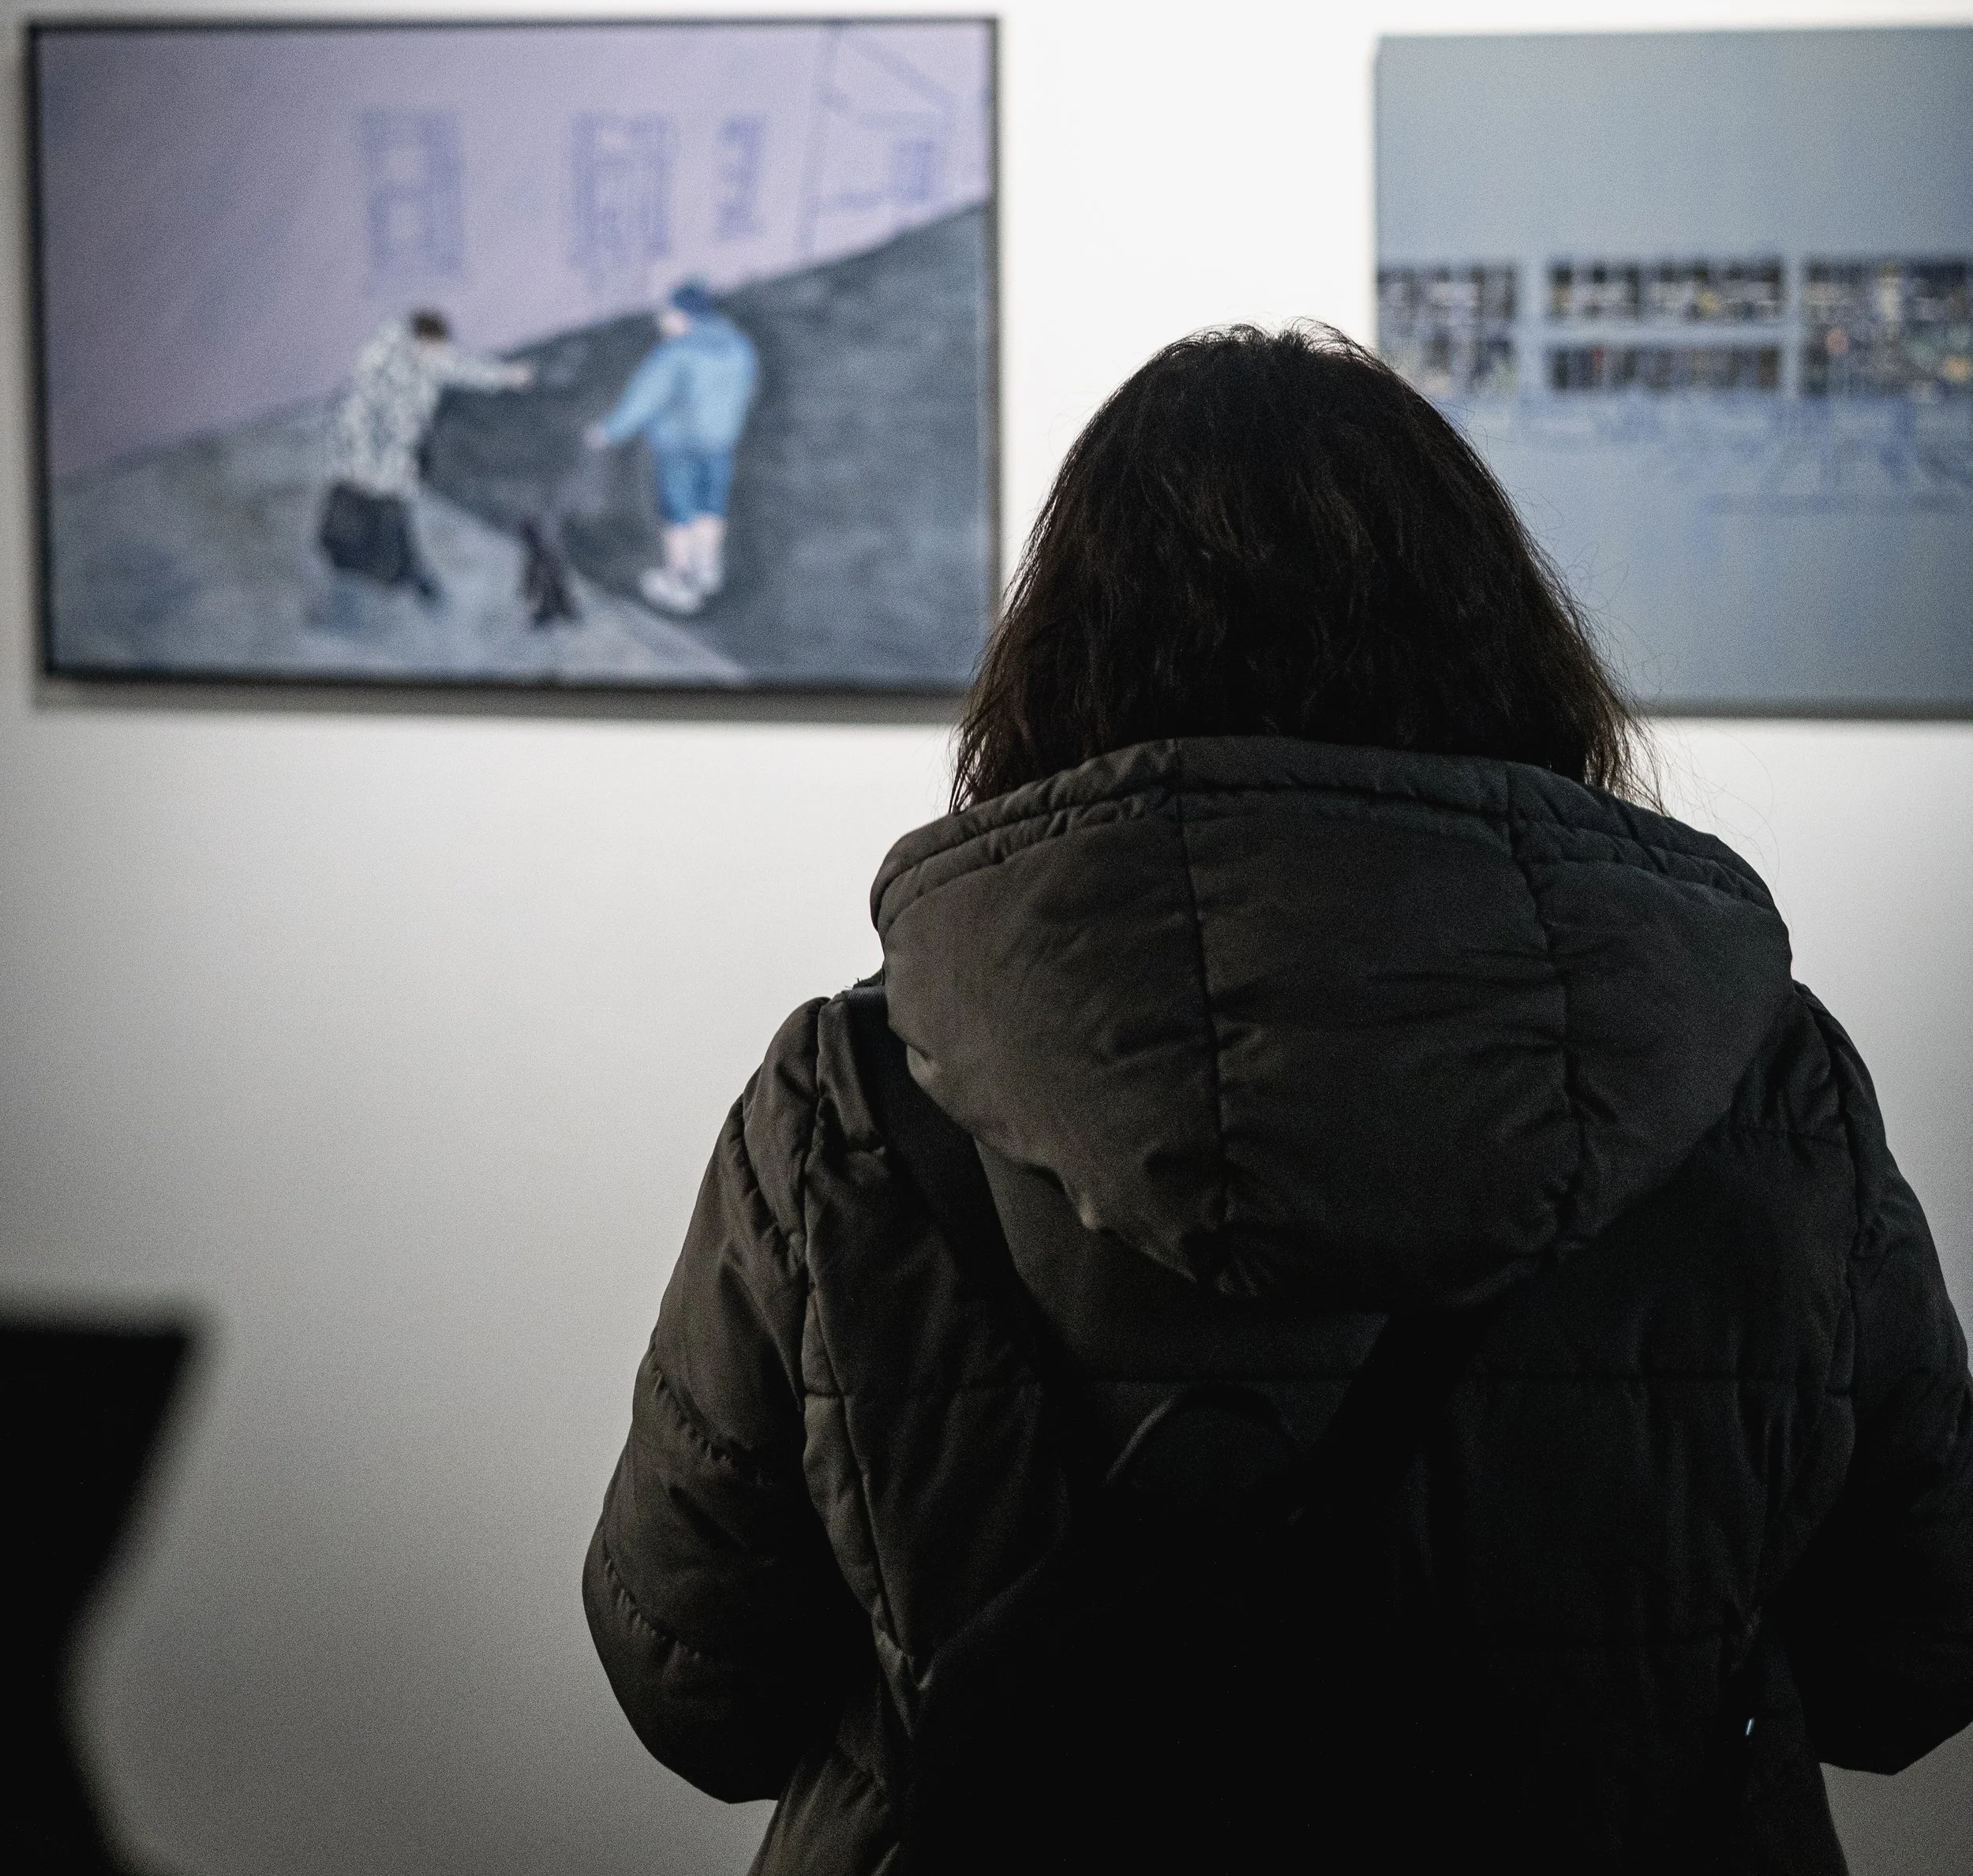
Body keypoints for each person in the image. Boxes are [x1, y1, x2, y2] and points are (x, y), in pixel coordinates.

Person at [582, 325, 1973, 1873]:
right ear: (1507, 642)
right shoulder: (1757, 1086)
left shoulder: (852, 1108)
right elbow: (1908, 1654)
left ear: (1058, 661)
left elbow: (694, 1678)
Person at [318, 309, 531, 604]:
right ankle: (358, 576)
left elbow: (461, 367)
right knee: (361, 522)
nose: (437, 358)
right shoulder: (381, 366)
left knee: (393, 523)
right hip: (365, 467)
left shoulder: (429, 359)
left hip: (397, 463)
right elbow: (355, 414)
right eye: (432, 351)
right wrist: (361, 463)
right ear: (417, 341)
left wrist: (505, 376)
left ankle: (399, 572)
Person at [584, 279, 758, 616]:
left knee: (679, 512)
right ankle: (708, 571)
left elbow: (645, 399)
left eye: (667, 312)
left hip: (679, 444)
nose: (662, 319)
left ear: (683, 315)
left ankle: (680, 583)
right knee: (711, 506)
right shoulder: (738, 346)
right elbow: (748, 389)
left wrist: (609, 431)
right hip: (720, 441)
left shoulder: (674, 353)